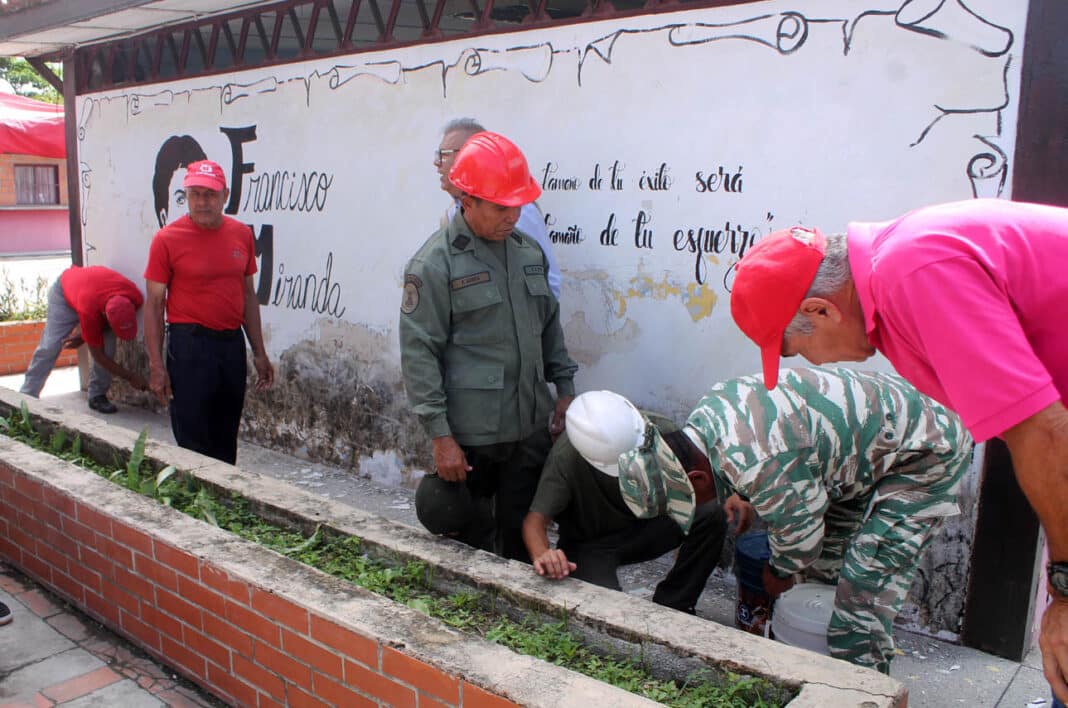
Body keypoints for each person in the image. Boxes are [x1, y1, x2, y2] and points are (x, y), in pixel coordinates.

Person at [729, 199, 1068, 699]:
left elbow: (1045, 434)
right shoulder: (893, 278)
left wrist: (1064, 588)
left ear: (819, 311)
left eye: (798, 350)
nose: (814, 365)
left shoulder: (913, 275)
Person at [590, 368, 973, 674]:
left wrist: (780, 570)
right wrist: (744, 495)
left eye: (690, 499)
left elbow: (801, 537)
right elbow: (773, 462)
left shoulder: (758, 464)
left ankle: (865, 691)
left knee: (862, 593)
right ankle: (820, 667)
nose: (700, 507)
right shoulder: (705, 417)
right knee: (822, 575)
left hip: (927, 452)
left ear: (696, 478)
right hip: (853, 459)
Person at [402, 131, 578, 562]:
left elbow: (549, 325)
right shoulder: (434, 264)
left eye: (517, 205)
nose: (512, 216)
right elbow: (419, 352)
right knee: (470, 546)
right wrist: (441, 437)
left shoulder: (527, 253)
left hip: (527, 428)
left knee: (521, 541)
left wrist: (565, 388)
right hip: (471, 437)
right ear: (468, 202)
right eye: (501, 207)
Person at [522, 390, 744, 615]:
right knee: (606, 617)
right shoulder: (566, 458)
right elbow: (534, 522)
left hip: (648, 526)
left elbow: (702, 469)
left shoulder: (656, 430)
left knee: (713, 512)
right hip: (594, 546)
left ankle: (676, 604)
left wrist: (728, 492)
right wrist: (543, 554)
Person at [143, 159, 274, 464]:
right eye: (195, 194)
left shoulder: (241, 234)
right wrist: (155, 364)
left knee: (226, 433)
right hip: (190, 346)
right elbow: (153, 304)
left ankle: (223, 502)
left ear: (225, 195)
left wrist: (258, 350)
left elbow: (247, 295)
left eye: (210, 194)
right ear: (186, 195)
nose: (202, 201)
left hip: (230, 345)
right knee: (193, 437)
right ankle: (195, 503)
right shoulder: (167, 239)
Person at [434, 118, 561, 298]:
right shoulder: (452, 215)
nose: (437, 162)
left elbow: (548, 283)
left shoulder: (516, 210)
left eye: (443, 154)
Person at [21, 265, 147, 413]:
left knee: (108, 348)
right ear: (106, 316)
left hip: (90, 295)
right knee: (50, 346)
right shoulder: (89, 308)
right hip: (64, 294)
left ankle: (97, 396)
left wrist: (85, 335)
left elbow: (104, 327)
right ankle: (26, 396)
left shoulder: (136, 297)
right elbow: (98, 356)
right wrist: (131, 377)